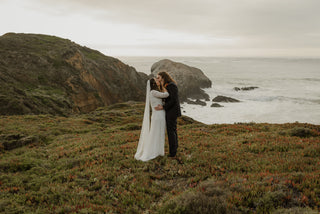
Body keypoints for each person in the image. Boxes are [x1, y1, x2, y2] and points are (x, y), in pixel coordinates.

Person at [134, 78, 169, 161]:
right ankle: (154, 151)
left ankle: (156, 151)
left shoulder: (152, 93)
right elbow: (166, 95)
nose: (158, 81)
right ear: (153, 84)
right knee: (157, 133)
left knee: (156, 133)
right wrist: (164, 88)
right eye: (156, 80)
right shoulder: (153, 92)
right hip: (159, 115)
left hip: (156, 115)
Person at [155, 71, 181, 157]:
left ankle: (172, 153)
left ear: (163, 77)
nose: (157, 79)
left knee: (171, 132)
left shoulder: (171, 85)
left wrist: (163, 107)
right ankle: (174, 149)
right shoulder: (167, 86)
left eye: (158, 77)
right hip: (171, 111)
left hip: (172, 111)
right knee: (173, 131)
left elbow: (173, 100)